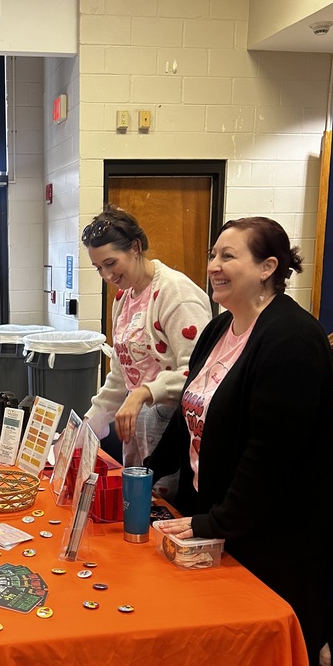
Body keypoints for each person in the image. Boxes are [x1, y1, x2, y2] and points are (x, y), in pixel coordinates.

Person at [148, 216, 333, 666]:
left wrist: (211, 523)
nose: (214, 266)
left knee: (273, 664)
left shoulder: (292, 339)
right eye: (213, 256)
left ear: (268, 267)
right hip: (229, 515)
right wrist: (144, 468)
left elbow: (270, 458)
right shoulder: (219, 329)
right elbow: (188, 414)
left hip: (282, 532)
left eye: (228, 256)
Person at [83, 205, 212, 490]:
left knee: (163, 511)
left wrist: (145, 392)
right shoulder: (124, 299)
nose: (106, 275)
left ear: (136, 247)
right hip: (137, 429)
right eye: (99, 268)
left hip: (173, 430)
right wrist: (89, 424)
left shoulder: (176, 293)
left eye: (111, 263)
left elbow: (199, 375)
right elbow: (121, 373)